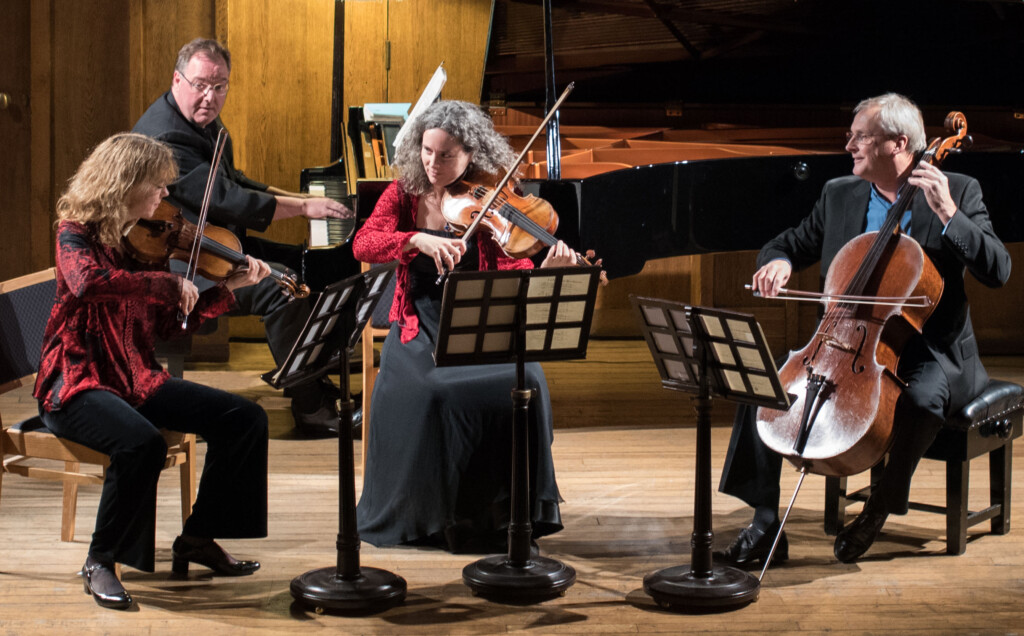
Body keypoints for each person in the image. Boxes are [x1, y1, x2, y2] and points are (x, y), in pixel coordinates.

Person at [714, 93, 1011, 566]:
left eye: (860, 136)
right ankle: (765, 522)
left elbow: (998, 269)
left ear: (898, 143)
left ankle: (879, 507)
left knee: (920, 399)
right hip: (844, 344)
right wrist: (777, 262)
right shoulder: (840, 194)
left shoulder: (958, 188)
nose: (848, 144)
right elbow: (789, 242)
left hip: (930, 349)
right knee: (763, 388)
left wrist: (948, 214)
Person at [34, 133, 272, 610]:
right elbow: (85, 284)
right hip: (76, 381)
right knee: (140, 443)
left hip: (136, 376)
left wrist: (229, 290)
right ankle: (100, 561)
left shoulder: (148, 241)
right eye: (159, 186)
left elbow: (169, 324)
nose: (166, 197)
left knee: (245, 418)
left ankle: (199, 538)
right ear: (127, 183)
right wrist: (164, 282)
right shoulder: (74, 232)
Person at [352, 100, 578, 553]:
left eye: (447, 155)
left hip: (480, 318)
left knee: (527, 381)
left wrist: (548, 272)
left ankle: (510, 518)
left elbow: (511, 269)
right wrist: (413, 238)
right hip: (420, 325)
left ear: (472, 154)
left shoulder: (493, 194)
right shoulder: (404, 193)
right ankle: (436, 517)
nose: (433, 164)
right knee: (434, 394)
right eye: (427, 151)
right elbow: (364, 243)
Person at [132, 37, 352, 437]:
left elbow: (235, 181)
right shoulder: (166, 138)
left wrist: (294, 197)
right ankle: (311, 408)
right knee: (282, 289)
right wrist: (302, 208)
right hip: (179, 261)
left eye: (219, 87)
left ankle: (308, 377)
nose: (209, 96)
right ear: (176, 79)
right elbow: (225, 199)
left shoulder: (195, 118)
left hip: (211, 241)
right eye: (200, 84)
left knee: (311, 265)